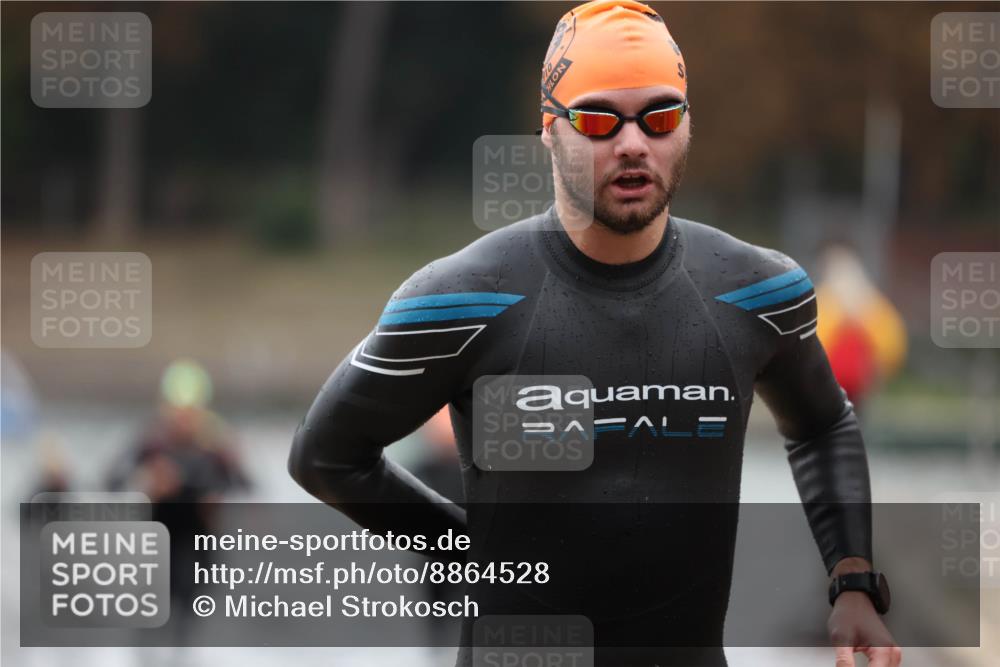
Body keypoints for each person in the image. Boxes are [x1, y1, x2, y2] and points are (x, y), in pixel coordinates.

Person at [289, 2, 900, 665]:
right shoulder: (460, 299)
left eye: (660, 117)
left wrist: (853, 579)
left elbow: (822, 423)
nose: (634, 143)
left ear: (687, 126)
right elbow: (325, 454)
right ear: (550, 131)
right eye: (601, 120)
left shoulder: (757, 292)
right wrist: (471, 553)